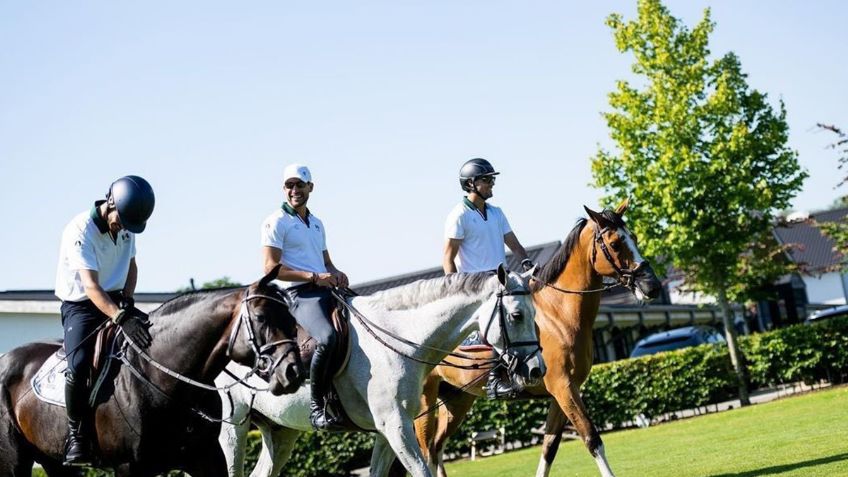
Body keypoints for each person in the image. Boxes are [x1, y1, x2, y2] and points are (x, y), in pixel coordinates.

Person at [55, 175, 155, 466]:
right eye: (120, 220)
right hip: (82, 305)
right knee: (79, 363)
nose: (123, 228)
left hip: (115, 298)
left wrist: (128, 299)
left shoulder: (127, 222)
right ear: (110, 203)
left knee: (154, 341)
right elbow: (91, 287)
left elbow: (132, 265)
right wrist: (120, 316)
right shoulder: (79, 229)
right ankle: (76, 435)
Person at [261, 164, 349, 430]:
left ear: (311, 187)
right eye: (289, 185)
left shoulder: (316, 223)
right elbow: (270, 268)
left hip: (323, 289)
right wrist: (313, 277)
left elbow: (326, 262)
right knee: (328, 338)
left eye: (300, 185)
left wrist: (337, 273)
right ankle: (317, 406)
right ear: (283, 189)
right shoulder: (275, 221)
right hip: (297, 295)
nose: (294, 190)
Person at [443, 158, 533, 398]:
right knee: (498, 324)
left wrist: (526, 262)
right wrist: (456, 289)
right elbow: (448, 258)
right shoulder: (459, 215)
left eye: (492, 179)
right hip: (476, 286)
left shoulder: (496, 212)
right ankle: (494, 381)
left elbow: (513, 243)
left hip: (501, 280)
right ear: (471, 184)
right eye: (487, 179)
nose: (492, 183)